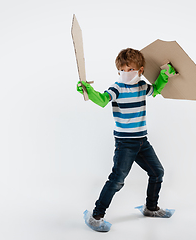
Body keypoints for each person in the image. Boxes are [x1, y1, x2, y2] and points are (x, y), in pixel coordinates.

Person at [77, 48, 176, 232]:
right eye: (123, 69)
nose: (127, 73)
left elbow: (156, 89)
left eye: (131, 69)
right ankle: (96, 216)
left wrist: (164, 74)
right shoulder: (117, 88)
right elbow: (102, 100)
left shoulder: (142, 86)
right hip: (125, 144)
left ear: (140, 70)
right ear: (118, 71)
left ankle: (151, 208)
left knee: (157, 172)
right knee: (117, 180)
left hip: (142, 142)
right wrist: (88, 90)